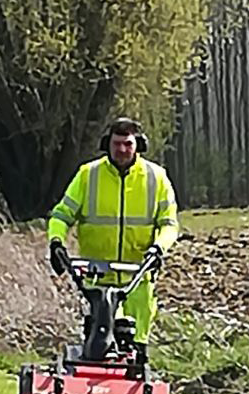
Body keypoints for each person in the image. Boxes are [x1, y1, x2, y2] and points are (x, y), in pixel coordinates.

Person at [46, 116, 179, 361]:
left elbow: (169, 224)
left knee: (136, 343)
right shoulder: (88, 175)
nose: (122, 150)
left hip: (138, 274)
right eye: (117, 143)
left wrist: (159, 248)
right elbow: (61, 214)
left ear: (138, 144)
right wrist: (56, 242)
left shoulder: (156, 178)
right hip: (97, 274)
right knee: (102, 337)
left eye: (127, 144)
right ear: (107, 144)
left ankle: (135, 384)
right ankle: (94, 387)